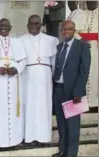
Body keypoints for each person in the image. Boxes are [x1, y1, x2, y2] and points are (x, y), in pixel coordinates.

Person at [0, 18, 27, 148]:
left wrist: (17, 69)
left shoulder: (17, 43)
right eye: (1, 26)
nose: (3, 28)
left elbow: (23, 61)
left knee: (14, 111)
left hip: (13, 83)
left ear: (10, 28)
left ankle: (14, 140)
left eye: (6, 26)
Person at [52, 20, 91, 157]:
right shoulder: (59, 47)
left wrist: (78, 92)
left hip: (73, 92)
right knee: (61, 124)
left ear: (74, 30)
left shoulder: (82, 46)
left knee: (73, 125)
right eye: (65, 29)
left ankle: (71, 154)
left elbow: (84, 71)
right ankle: (62, 151)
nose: (67, 31)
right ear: (61, 31)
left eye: (71, 29)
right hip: (58, 90)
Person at [18, 15, 59, 145]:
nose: (34, 26)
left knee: (44, 106)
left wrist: (52, 78)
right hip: (28, 77)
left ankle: (44, 137)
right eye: (31, 24)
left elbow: (54, 62)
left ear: (41, 25)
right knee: (29, 105)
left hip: (45, 78)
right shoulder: (20, 40)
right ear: (27, 26)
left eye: (37, 24)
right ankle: (29, 137)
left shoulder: (52, 40)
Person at [75, 1, 98, 108]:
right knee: (83, 73)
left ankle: (95, 103)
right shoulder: (81, 14)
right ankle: (84, 104)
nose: (91, 2)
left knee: (95, 74)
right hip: (83, 49)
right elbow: (73, 31)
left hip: (96, 49)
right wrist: (82, 40)